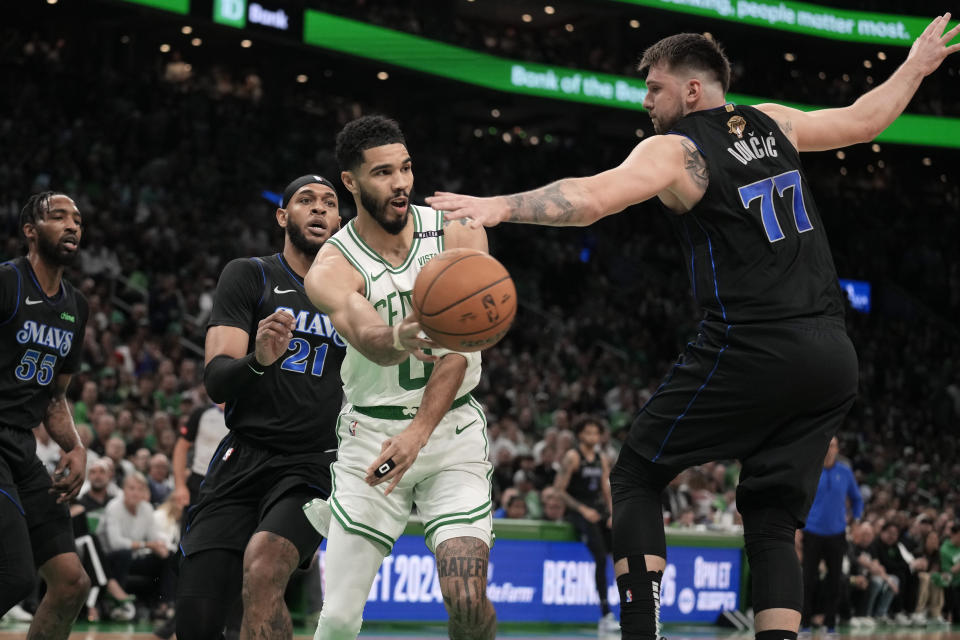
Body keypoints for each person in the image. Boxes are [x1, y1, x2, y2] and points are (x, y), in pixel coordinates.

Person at [427, 16, 960, 640]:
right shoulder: (774, 121)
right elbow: (866, 120)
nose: (646, 101)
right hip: (832, 357)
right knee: (769, 521)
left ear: (691, 91)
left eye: (654, 88)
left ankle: (639, 631)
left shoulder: (678, 148)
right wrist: (917, 66)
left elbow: (596, 197)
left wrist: (502, 207)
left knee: (635, 475)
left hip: (754, 344)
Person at [304, 115, 497, 640]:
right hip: (370, 439)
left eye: (406, 169)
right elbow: (366, 334)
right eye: (384, 173)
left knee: (465, 595)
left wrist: (418, 434)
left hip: (450, 434)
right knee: (340, 618)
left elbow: (463, 346)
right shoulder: (332, 266)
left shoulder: (457, 227)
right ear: (351, 182)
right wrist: (397, 339)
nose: (401, 184)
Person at [175, 175, 346, 640]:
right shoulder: (250, 274)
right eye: (306, 201)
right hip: (243, 457)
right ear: (282, 216)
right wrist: (259, 360)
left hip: (314, 463)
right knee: (196, 621)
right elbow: (216, 380)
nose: (319, 209)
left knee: (266, 564)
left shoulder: (357, 294)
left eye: (330, 203)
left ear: (339, 220)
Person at [0, 191, 91, 638]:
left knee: (71, 583)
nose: (72, 225)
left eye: (77, 219)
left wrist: (74, 446)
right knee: (13, 575)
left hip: (20, 444)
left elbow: (56, 398)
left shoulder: (76, 306)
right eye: (59, 217)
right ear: (31, 232)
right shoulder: (6, 283)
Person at [553, 416, 617, 633]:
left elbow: (606, 489)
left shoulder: (602, 458)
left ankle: (635, 611)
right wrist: (582, 510)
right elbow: (558, 490)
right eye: (588, 432)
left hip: (597, 510)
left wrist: (611, 513)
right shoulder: (573, 457)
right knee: (600, 556)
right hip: (576, 511)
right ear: (580, 434)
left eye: (596, 433)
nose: (592, 436)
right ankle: (606, 614)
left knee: (622, 552)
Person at [801, 436, 863, 631]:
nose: (829, 449)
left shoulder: (845, 472)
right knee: (808, 580)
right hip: (811, 532)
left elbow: (857, 499)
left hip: (836, 534)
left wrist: (857, 521)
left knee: (835, 581)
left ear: (838, 449)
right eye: (826, 445)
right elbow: (799, 497)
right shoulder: (811, 469)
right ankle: (804, 624)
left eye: (833, 445)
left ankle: (830, 625)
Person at [171, 402, 228, 508]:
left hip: (229, 483)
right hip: (199, 480)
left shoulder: (244, 415)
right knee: (191, 523)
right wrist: (179, 485)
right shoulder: (202, 413)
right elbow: (181, 447)